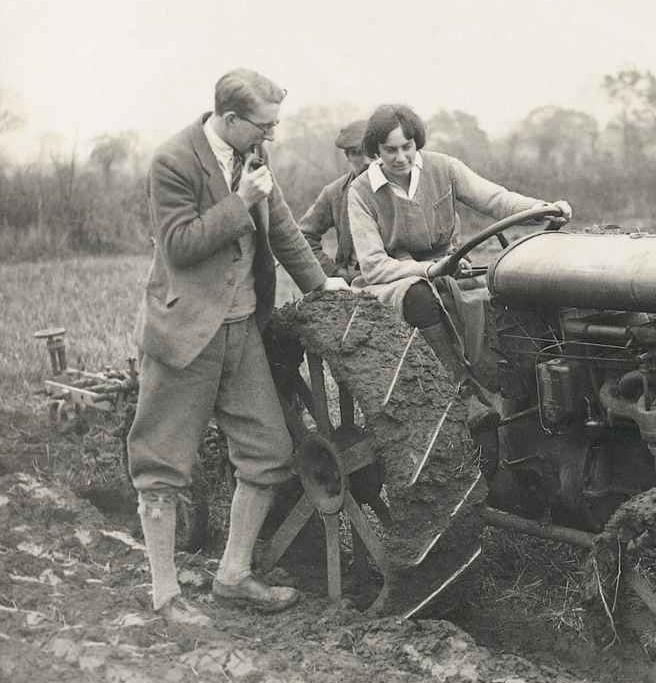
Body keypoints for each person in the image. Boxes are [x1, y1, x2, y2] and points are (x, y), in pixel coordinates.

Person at [127, 68, 350, 625]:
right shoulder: (172, 161)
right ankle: (165, 594)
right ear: (230, 119)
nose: (270, 137)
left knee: (269, 454)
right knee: (161, 465)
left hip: (241, 330)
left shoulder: (253, 158)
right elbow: (178, 247)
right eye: (264, 126)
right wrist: (239, 201)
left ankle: (232, 575)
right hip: (185, 335)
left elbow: (281, 231)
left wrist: (324, 284)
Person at [347, 104, 571, 455]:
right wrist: (426, 269)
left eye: (407, 147)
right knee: (419, 294)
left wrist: (543, 207)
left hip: (449, 267)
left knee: (512, 287)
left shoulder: (443, 168)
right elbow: (374, 265)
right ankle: (462, 391)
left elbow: (495, 199)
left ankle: (521, 386)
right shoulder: (361, 192)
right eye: (390, 150)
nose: (401, 157)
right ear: (375, 151)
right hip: (394, 279)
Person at [298, 119, 371, 281]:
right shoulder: (334, 193)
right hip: (354, 281)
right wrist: (334, 272)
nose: (366, 161)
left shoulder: (400, 186)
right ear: (347, 156)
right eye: (357, 153)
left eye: (370, 152)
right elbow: (303, 236)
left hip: (395, 279)